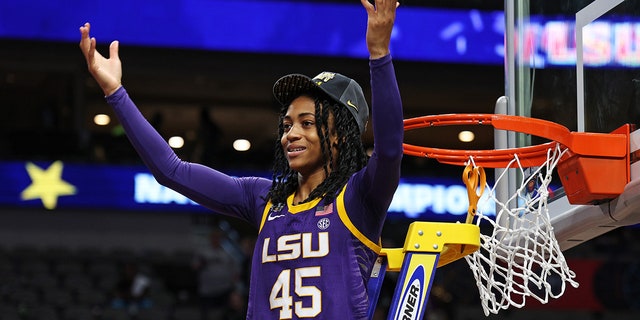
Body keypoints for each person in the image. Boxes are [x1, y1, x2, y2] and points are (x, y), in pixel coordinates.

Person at [79, 0, 403, 318]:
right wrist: (116, 93)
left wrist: (379, 55)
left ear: (340, 136)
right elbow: (171, 171)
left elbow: (389, 151)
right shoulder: (264, 199)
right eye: (287, 124)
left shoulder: (360, 197)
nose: (290, 134)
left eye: (307, 123)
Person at [192, 229, 239, 319]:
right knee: (206, 315)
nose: (216, 240)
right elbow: (194, 266)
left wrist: (234, 287)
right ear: (210, 239)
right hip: (207, 289)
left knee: (224, 315)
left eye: (218, 238)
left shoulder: (227, 253)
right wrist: (201, 264)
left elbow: (235, 271)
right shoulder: (202, 252)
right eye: (214, 238)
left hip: (225, 289)